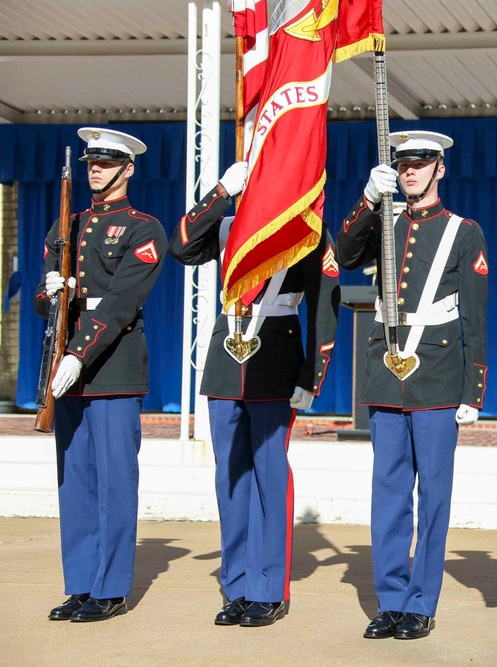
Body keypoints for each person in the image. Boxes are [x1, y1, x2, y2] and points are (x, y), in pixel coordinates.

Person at [168, 162, 340, 626]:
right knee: (231, 478)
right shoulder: (226, 225)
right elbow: (180, 247)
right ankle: (238, 583)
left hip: (275, 357)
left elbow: (326, 300)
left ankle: (269, 588)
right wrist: (220, 190)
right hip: (227, 357)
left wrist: (312, 373)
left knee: (268, 474)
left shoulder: (304, 229)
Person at [336, 131, 488, 640]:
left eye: (421, 164)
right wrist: (366, 198)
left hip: (439, 378)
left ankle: (421, 601)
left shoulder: (463, 232)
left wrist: (474, 391)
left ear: (439, 169)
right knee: (389, 495)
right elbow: (346, 255)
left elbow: (476, 317)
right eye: (403, 165)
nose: (410, 172)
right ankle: (392, 600)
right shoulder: (384, 221)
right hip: (387, 375)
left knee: (434, 497)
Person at [35, 127, 167, 622]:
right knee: (75, 482)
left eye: (107, 162)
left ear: (127, 169)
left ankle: (110, 589)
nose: (97, 169)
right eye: (92, 162)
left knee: (114, 481)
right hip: (66, 363)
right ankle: (80, 584)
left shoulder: (142, 228)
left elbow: (120, 303)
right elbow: (43, 304)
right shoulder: (66, 226)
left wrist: (78, 353)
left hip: (112, 367)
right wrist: (51, 293)